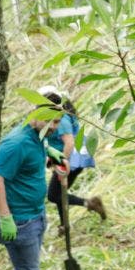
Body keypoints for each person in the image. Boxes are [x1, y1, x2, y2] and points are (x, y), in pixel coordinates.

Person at [0, 107, 65, 270]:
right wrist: (5, 216)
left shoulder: (38, 136)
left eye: (58, 122)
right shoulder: (15, 143)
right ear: (36, 115)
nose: (55, 128)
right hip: (20, 220)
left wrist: (51, 155)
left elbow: (33, 155)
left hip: (35, 214)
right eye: (52, 122)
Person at [40, 86, 105, 234]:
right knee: (59, 193)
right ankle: (65, 225)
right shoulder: (62, 114)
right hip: (75, 158)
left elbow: (69, 143)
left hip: (72, 159)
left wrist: (61, 164)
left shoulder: (60, 119)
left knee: (53, 195)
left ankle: (90, 204)